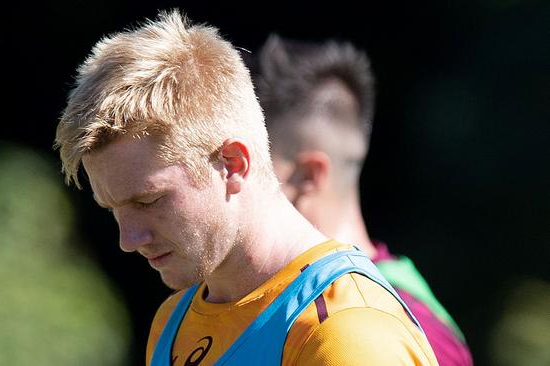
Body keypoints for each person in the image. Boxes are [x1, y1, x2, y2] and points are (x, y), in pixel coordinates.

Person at [55, 10, 438, 365]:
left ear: (233, 164)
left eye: (148, 199)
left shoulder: (345, 335)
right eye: (112, 208)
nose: (128, 238)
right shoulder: (173, 323)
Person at [251, 35, 473, 365]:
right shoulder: (274, 301)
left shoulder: (399, 329)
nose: (231, 181)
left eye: (248, 163)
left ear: (309, 175)